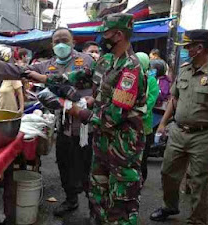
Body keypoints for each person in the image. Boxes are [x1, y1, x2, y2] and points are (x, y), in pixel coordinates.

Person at [32, 13, 146, 224]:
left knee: (120, 200)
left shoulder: (130, 69)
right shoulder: (107, 60)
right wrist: (45, 78)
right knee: (98, 192)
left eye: (106, 34)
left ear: (118, 35)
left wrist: (76, 110)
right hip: (102, 142)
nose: (103, 39)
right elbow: (81, 76)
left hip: (121, 145)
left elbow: (112, 117)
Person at [0, 27, 94, 217]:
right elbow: (21, 71)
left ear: (73, 42)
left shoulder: (86, 60)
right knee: (64, 163)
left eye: (65, 40)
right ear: (51, 44)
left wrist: (90, 100)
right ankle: (71, 200)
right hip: (63, 125)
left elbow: (96, 85)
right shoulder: (46, 65)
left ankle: (94, 207)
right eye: (56, 41)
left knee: (87, 167)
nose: (61, 44)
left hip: (85, 126)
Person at [150, 29, 208, 224]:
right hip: (178, 131)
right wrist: (163, 124)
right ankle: (170, 206)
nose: (185, 50)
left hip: (205, 135)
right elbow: (174, 99)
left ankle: (197, 219)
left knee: (199, 181)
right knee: (167, 172)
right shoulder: (185, 69)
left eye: (188, 47)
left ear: (199, 48)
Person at [136, 52, 159, 184]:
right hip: (130, 125)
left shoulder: (151, 81)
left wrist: (136, 112)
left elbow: (150, 102)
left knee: (142, 157)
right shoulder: (130, 77)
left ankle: (141, 180)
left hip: (144, 127)